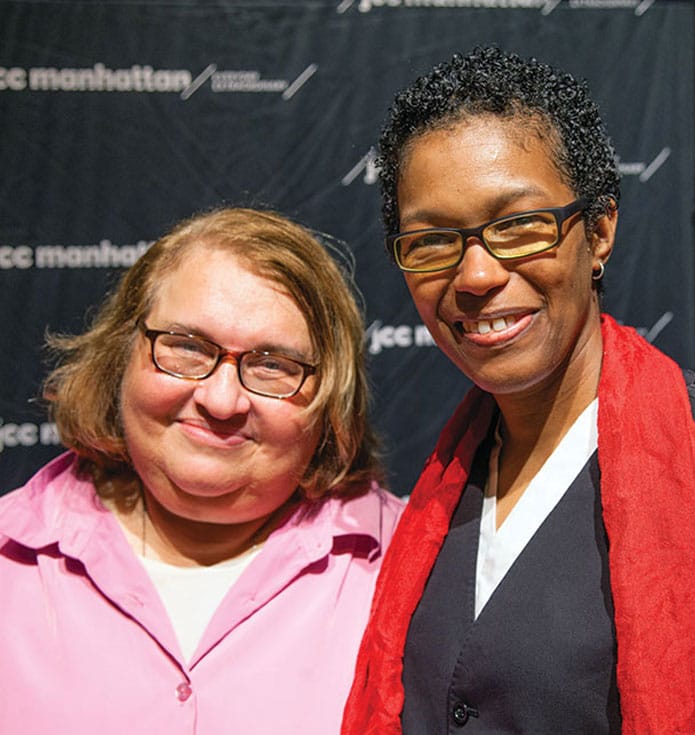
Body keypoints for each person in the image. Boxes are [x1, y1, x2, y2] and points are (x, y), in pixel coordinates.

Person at [342, 47, 695, 735]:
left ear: (600, 231)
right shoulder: (439, 491)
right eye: (432, 240)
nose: (475, 274)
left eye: (517, 225)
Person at [0, 207, 404, 734]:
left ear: (332, 402)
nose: (221, 400)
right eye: (187, 348)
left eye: (272, 365)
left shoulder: (413, 567)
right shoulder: (11, 558)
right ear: (120, 355)